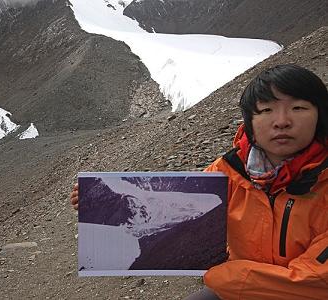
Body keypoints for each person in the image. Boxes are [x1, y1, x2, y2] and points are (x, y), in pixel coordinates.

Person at [70, 64, 328, 299]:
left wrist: (226, 276)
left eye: (298, 108)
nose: (282, 121)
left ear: (320, 115)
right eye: (266, 110)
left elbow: (316, 280)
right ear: (249, 122)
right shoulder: (228, 172)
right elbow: (171, 209)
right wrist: (101, 202)